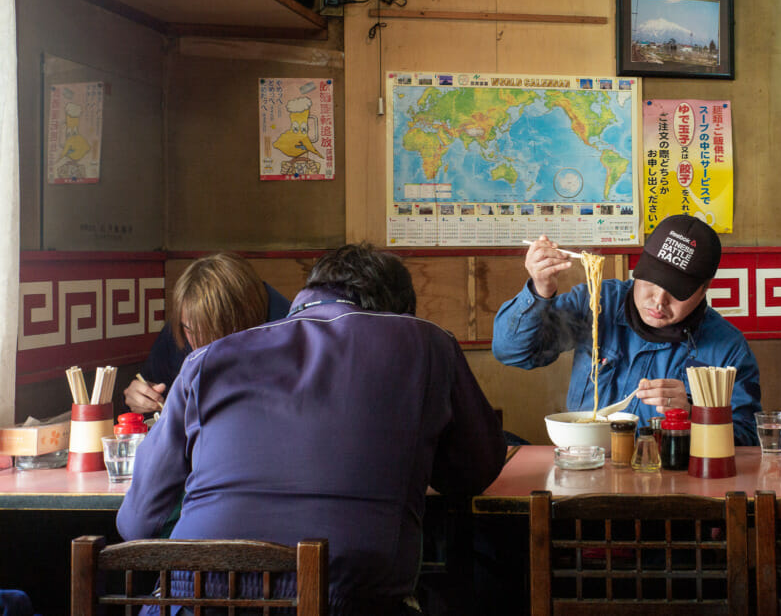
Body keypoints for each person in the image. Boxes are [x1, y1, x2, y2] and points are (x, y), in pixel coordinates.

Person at [117, 243, 506, 615]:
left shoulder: (204, 361)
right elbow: (474, 471)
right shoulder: (428, 343)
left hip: (197, 599)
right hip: (354, 600)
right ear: (398, 312)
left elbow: (137, 525)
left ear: (308, 293)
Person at [493, 214, 762, 445]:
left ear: (705, 288)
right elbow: (513, 353)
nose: (658, 300)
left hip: (667, 479)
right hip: (587, 463)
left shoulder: (727, 349)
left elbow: (747, 439)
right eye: (651, 282)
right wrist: (541, 289)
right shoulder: (599, 302)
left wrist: (695, 413)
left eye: (677, 291)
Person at [123, 252, 291, 414]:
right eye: (190, 330)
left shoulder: (287, 335)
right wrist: (141, 396)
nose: (198, 344)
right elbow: (153, 384)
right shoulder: (181, 329)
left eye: (212, 333)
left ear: (243, 321)